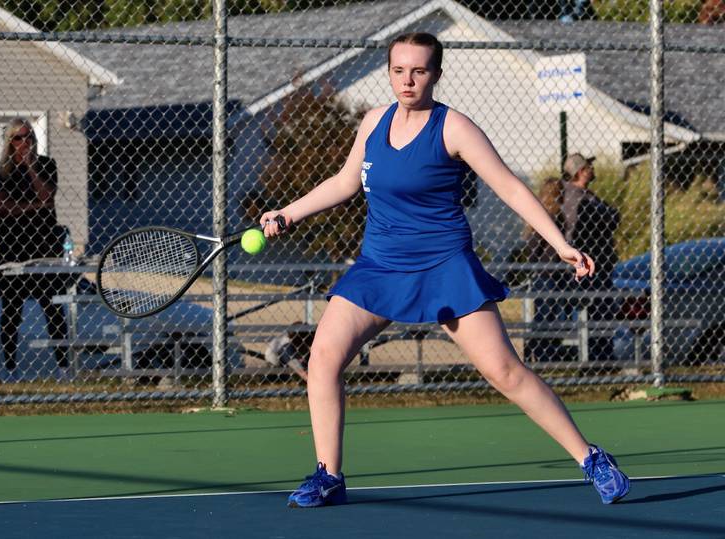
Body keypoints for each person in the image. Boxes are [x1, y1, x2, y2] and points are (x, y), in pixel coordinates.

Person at [261, 32, 629, 508]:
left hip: (444, 266)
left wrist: (560, 244)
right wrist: (288, 213)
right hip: (380, 265)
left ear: (435, 73)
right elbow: (346, 182)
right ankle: (328, 475)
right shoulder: (373, 122)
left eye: (418, 71)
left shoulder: (454, 128)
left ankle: (591, 458)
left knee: (504, 371)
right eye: (398, 70)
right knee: (323, 358)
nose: (407, 80)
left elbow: (510, 188)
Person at [0, 118, 68, 372]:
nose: (24, 143)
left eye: (28, 137)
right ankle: (9, 366)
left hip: (43, 245)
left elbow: (47, 196)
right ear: (9, 142)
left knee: (52, 307)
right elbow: (0, 206)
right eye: (18, 138)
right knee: (11, 309)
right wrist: (33, 208)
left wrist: (32, 168)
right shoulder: (2, 169)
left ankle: (63, 365)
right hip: (12, 247)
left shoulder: (47, 165)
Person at [561, 153, 621, 361]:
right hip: (590, 264)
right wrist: (609, 215)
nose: (592, 169)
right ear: (580, 172)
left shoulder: (586, 195)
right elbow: (611, 217)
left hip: (600, 263)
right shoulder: (576, 197)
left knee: (603, 308)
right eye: (588, 167)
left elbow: (613, 216)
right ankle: (598, 357)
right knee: (598, 308)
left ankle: (601, 355)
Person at [522, 177, 571, 362]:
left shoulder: (554, 214)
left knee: (548, 314)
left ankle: (542, 350)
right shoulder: (550, 215)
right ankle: (537, 350)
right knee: (544, 315)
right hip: (546, 272)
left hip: (550, 272)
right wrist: (535, 262)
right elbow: (535, 246)